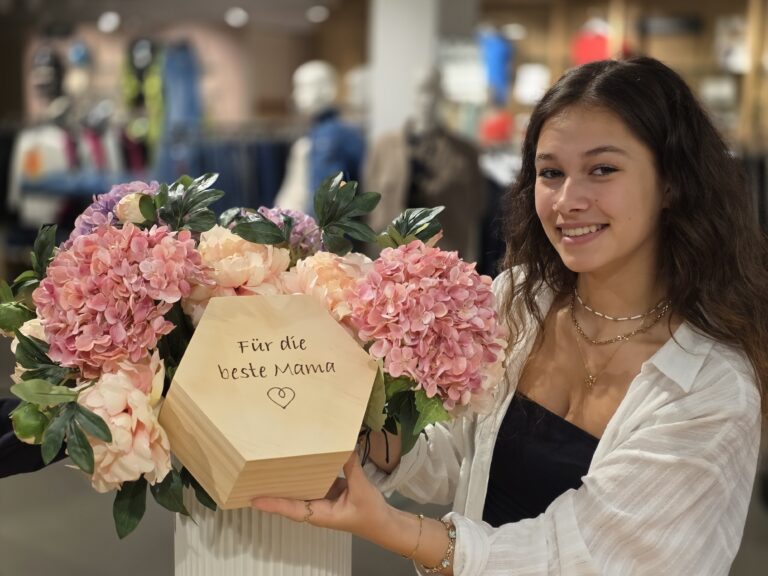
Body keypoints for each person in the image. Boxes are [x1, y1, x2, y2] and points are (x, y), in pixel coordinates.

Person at [252, 56, 768, 575]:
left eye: (602, 169)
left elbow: (581, 558)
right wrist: (357, 405)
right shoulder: (519, 299)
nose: (568, 200)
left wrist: (395, 529)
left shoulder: (708, 385)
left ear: (672, 183)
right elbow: (460, 457)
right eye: (550, 173)